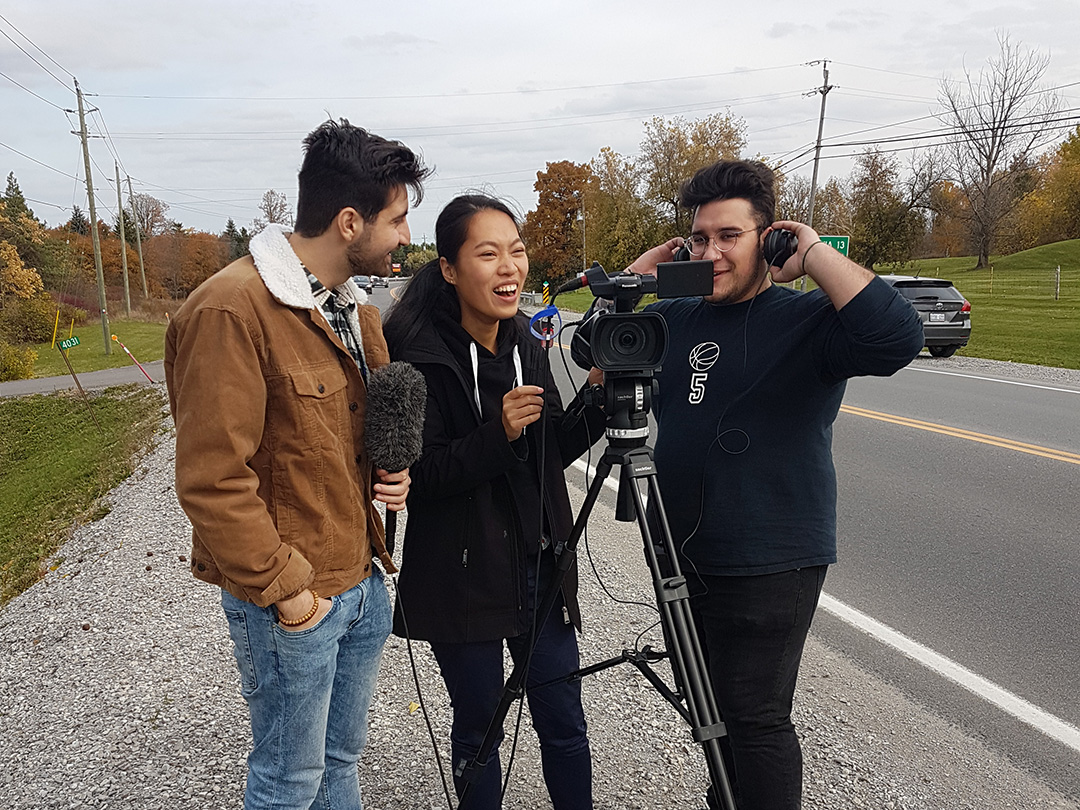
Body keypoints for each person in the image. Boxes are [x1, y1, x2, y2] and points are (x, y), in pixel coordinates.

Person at [626, 160, 924, 810]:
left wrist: (813, 254)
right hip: (677, 552)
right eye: (699, 239)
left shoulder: (810, 322)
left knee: (755, 716)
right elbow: (594, 354)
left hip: (769, 558)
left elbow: (898, 336)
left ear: (769, 239)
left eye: (728, 236)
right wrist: (634, 282)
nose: (710, 252)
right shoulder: (675, 315)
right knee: (709, 713)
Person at [164, 119, 429, 810]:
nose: (404, 235)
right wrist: (292, 595)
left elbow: (343, 442)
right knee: (289, 780)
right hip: (294, 599)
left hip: (362, 582)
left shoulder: (357, 314)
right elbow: (212, 479)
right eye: (397, 219)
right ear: (349, 221)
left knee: (340, 762)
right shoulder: (231, 308)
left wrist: (390, 469)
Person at [382, 194, 606, 810]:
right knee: (479, 728)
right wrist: (496, 435)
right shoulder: (418, 353)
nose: (510, 267)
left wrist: (596, 399)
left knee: (564, 721)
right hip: (462, 573)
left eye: (516, 250)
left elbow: (547, 450)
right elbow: (416, 478)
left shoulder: (524, 342)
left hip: (538, 563)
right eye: (489, 254)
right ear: (450, 269)